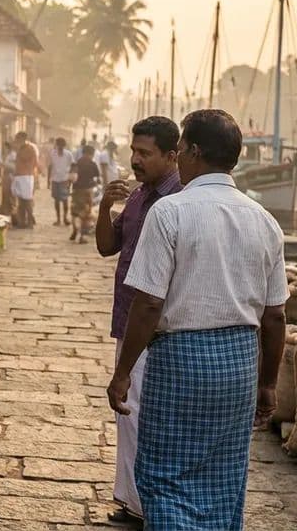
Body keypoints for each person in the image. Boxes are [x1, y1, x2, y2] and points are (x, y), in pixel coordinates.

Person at [107, 109, 287, 530]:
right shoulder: (264, 221)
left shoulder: (170, 212)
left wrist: (123, 372)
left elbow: (149, 304)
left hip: (182, 358)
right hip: (240, 361)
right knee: (224, 479)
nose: (180, 158)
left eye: (183, 148)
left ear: (193, 152)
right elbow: (275, 316)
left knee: (165, 477)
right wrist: (268, 382)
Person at [94, 116, 181, 527]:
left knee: (149, 417)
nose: (135, 160)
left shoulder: (178, 199)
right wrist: (102, 207)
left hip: (159, 328)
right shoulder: (137, 197)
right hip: (128, 320)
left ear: (172, 155)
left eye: (145, 153)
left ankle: (149, 505)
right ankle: (132, 501)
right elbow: (107, 247)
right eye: (134, 151)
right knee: (127, 415)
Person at [69, 145, 100, 244]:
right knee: (85, 213)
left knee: (74, 211)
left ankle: (74, 229)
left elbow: (71, 177)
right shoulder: (92, 164)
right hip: (87, 191)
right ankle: (81, 236)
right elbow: (97, 178)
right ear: (91, 154)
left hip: (77, 190)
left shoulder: (77, 163)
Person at [11, 132, 39, 228]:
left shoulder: (29, 148)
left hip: (26, 176)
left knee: (27, 200)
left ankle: (30, 222)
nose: (17, 141)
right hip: (19, 175)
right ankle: (22, 222)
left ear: (23, 138)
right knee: (21, 201)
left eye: (18, 139)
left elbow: (29, 160)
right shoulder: (21, 148)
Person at [48, 138, 75, 226]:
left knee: (65, 200)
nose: (59, 147)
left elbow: (73, 167)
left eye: (61, 145)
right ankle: (58, 219)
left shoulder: (68, 154)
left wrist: (70, 179)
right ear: (56, 145)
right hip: (55, 179)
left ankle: (65, 218)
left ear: (64, 145)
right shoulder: (53, 153)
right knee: (56, 200)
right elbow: (50, 166)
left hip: (64, 179)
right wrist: (48, 180)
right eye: (58, 145)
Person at [0, 141, 16, 217]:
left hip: (10, 177)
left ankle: (12, 213)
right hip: (5, 176)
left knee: (10, 195)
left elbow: (14, 167)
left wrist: (4, 165)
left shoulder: (13, 155)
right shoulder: (5, 155)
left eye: (5, 148)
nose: (4, 149)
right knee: (5, 195)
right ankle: (5, 212)